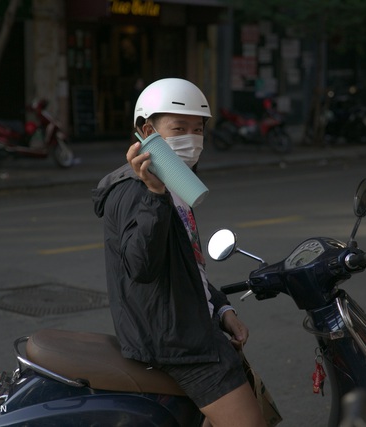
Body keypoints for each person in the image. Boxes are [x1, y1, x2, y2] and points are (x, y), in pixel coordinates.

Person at [92, 78, 269, 427]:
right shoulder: (135, 192)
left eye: (198, 129)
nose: (192, 138)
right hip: (177, 344)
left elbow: (189, 267)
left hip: (192, 329)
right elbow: (141, 267)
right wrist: (155, 196)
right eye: (179, 128)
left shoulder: (174, 184)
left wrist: (221, 308)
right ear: (147, 130)